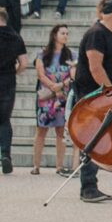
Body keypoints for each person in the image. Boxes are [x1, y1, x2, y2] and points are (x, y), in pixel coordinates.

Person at [73, 0, 112, 201]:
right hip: (94, 96)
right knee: (93, 138)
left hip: (104, 96)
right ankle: (88, 187)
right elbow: (95, 67)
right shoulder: (97, 34)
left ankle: (91, 184)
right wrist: (109, 92)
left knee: (100, 137)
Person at [31, 23, 75, 174]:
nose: (65, 36)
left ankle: (59, 166)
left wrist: (61, 85)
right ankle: (36, 165)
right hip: (45, 96)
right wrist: (53, 86)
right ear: (55, 35)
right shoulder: (42, 54)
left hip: (62, 96)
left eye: (67, 34)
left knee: (61, 131)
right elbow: (40, 74)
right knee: (41, 130)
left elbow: (74, 74)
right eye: (63, 33)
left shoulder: (71, 55)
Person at [0, 6, 27, 173]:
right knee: (4, 119)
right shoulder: (16, 37)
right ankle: (5, 155)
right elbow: (23, 63)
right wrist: (13, 72)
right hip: (8, 81)